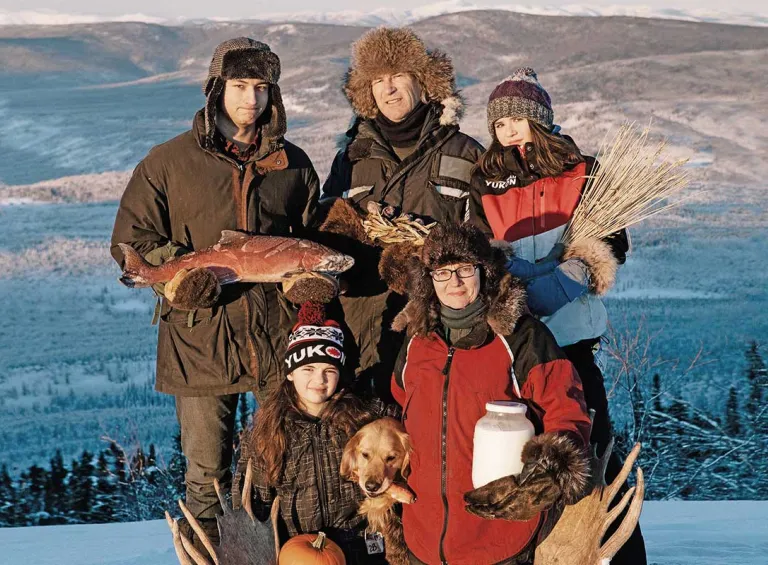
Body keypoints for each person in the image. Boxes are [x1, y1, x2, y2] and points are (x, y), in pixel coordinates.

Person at [110, 37, 320, 545]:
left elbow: (311, 238)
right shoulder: (168, 162)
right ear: (216, 89)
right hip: (198, 338)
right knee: (206, 480)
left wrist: (309, 284)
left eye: (262, 88)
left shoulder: (292, 164)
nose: (251, 99)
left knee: (278, 469)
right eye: (240, 86)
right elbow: (130, 240)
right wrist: (182, 280)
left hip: (275, 341)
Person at [469, 67, 646, 563]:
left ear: (540, 120)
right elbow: (479, 247)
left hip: (571, 341)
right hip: (518, 347)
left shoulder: (580, 169)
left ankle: (617, 553)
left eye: (517, 121)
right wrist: (512, 284)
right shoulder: (485, 179)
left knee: (592, 459)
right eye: (499, 124)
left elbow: (611, 242)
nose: (507, 132)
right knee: (520, 464)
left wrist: (565, 278)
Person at [391, 223, 593, 565]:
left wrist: (541, 477)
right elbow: (398, 407)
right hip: (421, 539)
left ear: (482, 272)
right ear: (429, 279)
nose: (453, 282)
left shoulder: (521, 337)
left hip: (498, 540)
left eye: (464, 270)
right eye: (442, 272)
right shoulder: (416, 341)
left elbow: (567, 411)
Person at [322, 27, 485, 403]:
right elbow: (326, 230)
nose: (388, 88)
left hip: (436, 324)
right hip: (363, 325)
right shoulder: (352, 157)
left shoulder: (465, 153)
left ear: (423, 81)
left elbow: (485, 241)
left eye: (398, 76)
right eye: (377, 80)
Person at [235, 302, 396, 564]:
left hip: (362, 548)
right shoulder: (270, 431)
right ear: (290, 372)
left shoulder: (366, 417)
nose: (318, 380)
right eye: (308, 369)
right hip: (298, 549)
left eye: (329, 371)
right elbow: (254, 503)